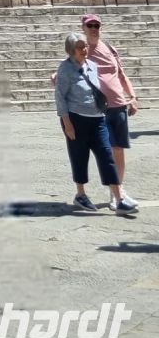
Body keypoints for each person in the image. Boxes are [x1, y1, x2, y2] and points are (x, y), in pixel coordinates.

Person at [55, 30, 132, 214]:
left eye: (85, 47)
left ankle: (118, 198)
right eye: (80, 48)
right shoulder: (65, 69)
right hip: (76, 119)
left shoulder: (92, 65)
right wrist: (67, 123)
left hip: (98, 119)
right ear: (71, 50)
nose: (84, 50)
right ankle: (80, 194)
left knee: (107, 156)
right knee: (79, 157)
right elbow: (60, 97)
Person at [76, 16, 141, 213]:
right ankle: (117, 194)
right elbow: (71, 66)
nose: (94, 29)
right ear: (84, 28)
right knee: (107, 151)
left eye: (97, 25)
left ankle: (117, 191)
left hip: (119, 105)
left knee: (119, 149)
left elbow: (121, 74)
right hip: (98, 108)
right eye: (90, 25)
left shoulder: (110, 48)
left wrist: (132, 95)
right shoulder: (82, 48)